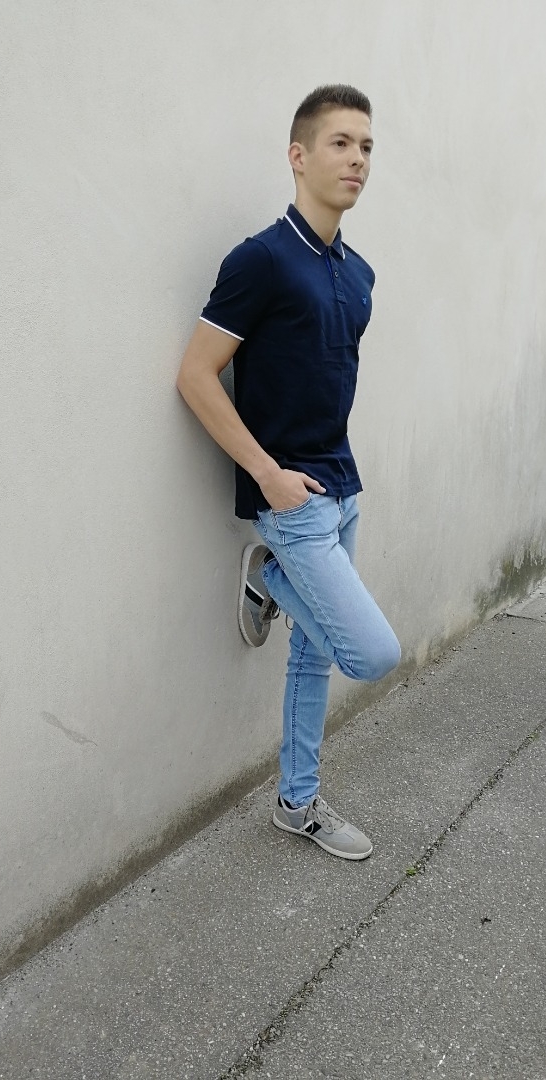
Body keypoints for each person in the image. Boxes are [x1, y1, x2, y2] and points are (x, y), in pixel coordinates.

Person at [176, 84, 400, 860]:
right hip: (290, 501)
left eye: (366, 146)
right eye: (340, 143)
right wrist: (267, 474)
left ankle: (295, 802)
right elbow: (196, 375)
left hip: (342, 488)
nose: (357, 159)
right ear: (298, 156)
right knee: (369, 653)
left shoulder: (358, 273)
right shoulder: (261, 260)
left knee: (312, 654)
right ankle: (268, 576)